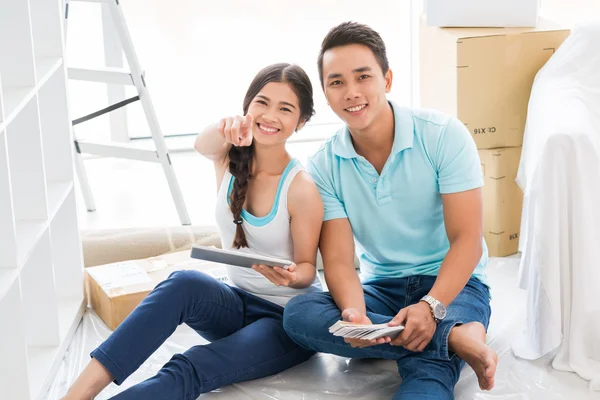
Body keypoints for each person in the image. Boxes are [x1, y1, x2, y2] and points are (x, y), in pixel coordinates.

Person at [61, 63, 324, 400]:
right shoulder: (231, 157)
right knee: (182, 282)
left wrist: (289, 277)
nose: (270, 115)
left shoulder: (300, 187)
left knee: (191, 364)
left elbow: (307, 269)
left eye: (285, 109)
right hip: (238, 300)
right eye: (262, 102)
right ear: (247, 107)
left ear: (300, 122)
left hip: (285, 321)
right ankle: (74, 396)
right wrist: (226, 125)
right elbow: (203, 144)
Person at [283, 22, 498, 399]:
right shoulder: (323, 165)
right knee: (299, 315)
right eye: (336, 82)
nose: (351, 93)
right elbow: (337, 260)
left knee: (428, 369)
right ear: (326, 94)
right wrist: (356, 315)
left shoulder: (443, 134)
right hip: (381, 289)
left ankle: (437, 335)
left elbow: (467, 241)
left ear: (387, 79)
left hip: (452, 283)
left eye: (363, 76)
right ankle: (455, 339)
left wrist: (431, 308)